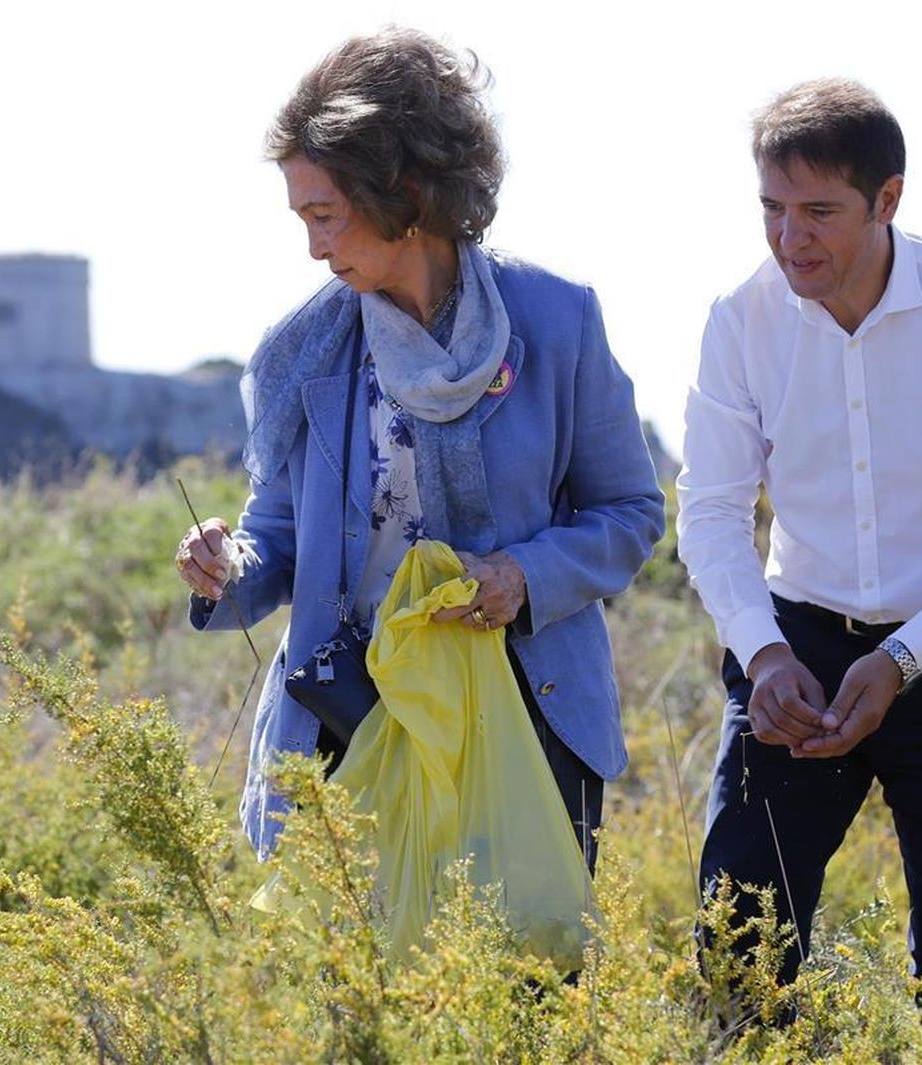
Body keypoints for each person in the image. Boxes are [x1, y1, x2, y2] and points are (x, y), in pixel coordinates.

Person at [174, 28, 664, 872]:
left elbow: (630, 513)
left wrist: (522, 576)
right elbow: (277, 538)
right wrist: (227, 563)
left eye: (324, 215)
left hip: (525, 719)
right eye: (302, 219)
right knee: (354, 999)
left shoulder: (557, 321)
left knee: (527, 988)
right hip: (350, 724)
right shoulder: (303, 351)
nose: (313, 247)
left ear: (400, 192)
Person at [676, 78, 922, 1034]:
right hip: (797, 646)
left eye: (819, 211)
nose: (789, 239)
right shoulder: (741, 319)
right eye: (772, 209)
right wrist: (764, 654)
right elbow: (712, 511)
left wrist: (903, 658)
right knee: (739, 944)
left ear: (888, 199)